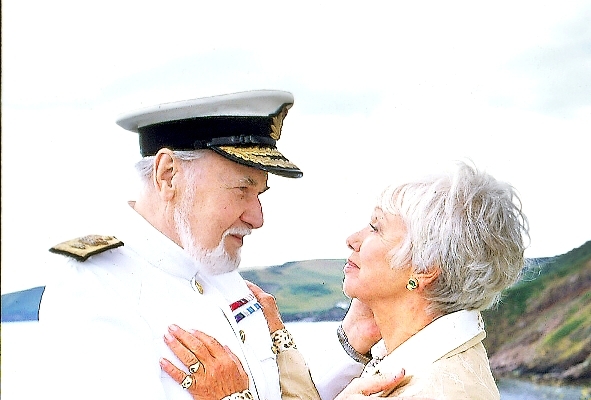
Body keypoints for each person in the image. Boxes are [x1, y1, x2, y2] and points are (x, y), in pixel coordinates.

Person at [35, 90, 366, 400]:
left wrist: (353, 341)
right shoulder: (95, 286)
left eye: (258, 194)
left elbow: (279, 393)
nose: (257, 218)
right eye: (241, 190)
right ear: (168, 175)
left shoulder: (217, 270)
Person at [162, 161, 529, 399]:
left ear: (424, 268)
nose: (353, 239)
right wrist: (282, 342)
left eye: (376, 228)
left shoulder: (435, 390)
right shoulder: (420, 355)